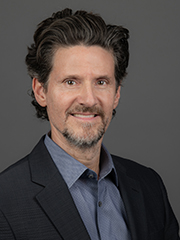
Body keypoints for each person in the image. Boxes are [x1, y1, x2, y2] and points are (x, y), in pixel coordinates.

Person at [0, 8, 179, 240]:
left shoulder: (149, 186)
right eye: (71, 81)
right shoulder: (5, 200)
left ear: (116, 94)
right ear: (41, 91)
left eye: (101, 82)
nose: (89, 99)